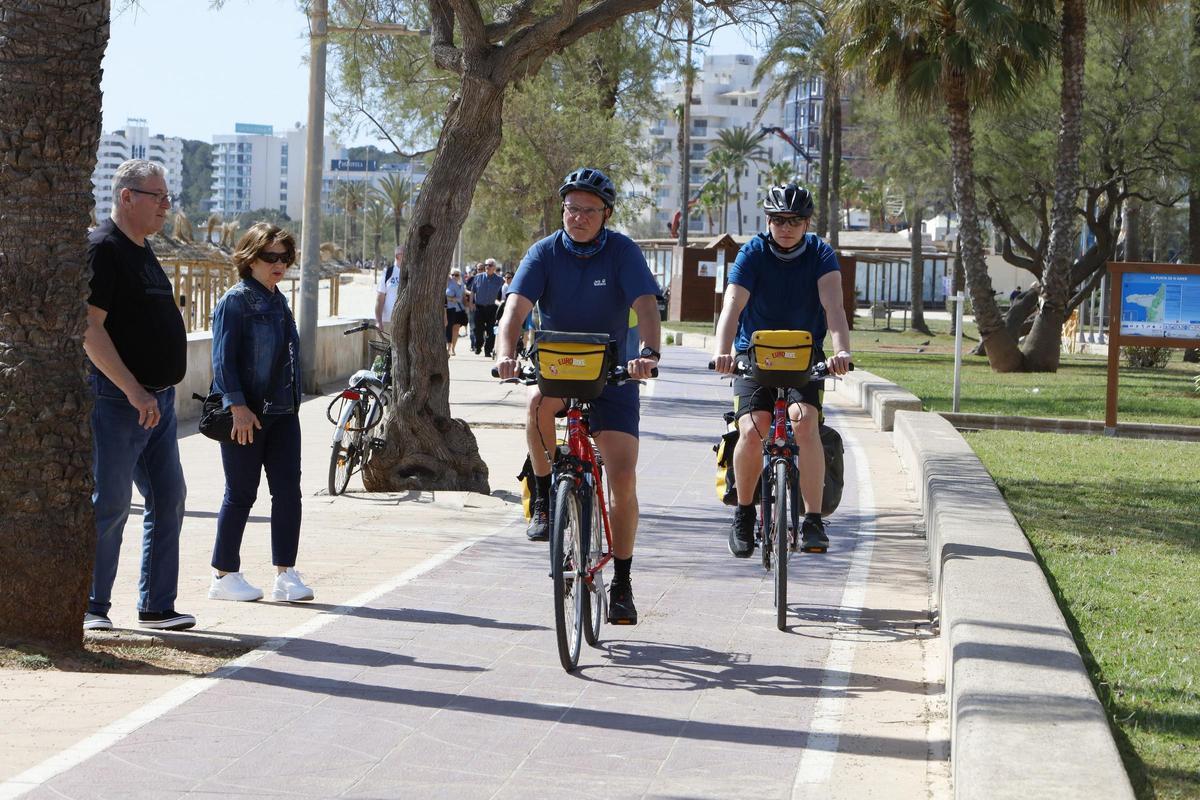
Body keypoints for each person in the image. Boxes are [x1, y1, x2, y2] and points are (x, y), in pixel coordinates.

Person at [496, 167, 661, 625]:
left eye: (589, 210)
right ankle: (548, 495)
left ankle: (623, 581)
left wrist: (647, 353)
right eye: (571, 208)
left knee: (622, 477)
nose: (579, 217)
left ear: (605, 213)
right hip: (557, 370)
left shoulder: (623, 252)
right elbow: (514, 311)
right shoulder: (543, 253)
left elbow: (645, 305)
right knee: (535, 405)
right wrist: (506, 353)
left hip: (612, 376)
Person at [711, 183, 852, 559]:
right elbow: (732, 306)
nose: (785, 228)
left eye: (794, 221)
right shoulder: (753, 252)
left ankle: (813, 520)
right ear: (768, 221)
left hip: (803, 358)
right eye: (777, 220)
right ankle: (744, 514)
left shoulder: (821, 254)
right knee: (754, 426)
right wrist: (723, 352)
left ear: (806, 223)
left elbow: (834, 307)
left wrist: (841, 352)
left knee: (805, 422)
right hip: (753, 355)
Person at [83, 159, 193, 631]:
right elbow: (89, 328)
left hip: (158, 402)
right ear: (127, 197)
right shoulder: (103, 249)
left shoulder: (144, 250)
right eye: (158, 197)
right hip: (118, 400)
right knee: (109, 503)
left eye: (168, 197)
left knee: (168, 497)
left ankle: (156, 606)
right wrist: (132, 389)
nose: (167, 206)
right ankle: (91, 606)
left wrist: (155, 393)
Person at [207, 223, 314, 603]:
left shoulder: (278, 300)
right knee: (240, 494)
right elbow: (222, 360)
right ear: (249, 257)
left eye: (286, 257)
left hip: (284, 412)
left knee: (288, 493)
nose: (280, 263)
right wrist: (236, 406)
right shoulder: (236, 301)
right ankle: (223, 575)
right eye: (271, 257)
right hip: (247, 414)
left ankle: (286, 573)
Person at [468, 258, 505, 357]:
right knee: (478, 329)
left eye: (490, 265)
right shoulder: (478, 277)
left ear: (494, 267)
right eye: (486, 265)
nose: (487, 267)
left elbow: (504, 293)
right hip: (479, 308)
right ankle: (478, 345)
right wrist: (471, 303)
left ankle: (488, 350)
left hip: (492, 308)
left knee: (491, 331)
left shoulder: (500, 280)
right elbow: (472, 291)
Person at [375, 244, 405, 330]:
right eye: (406, 253)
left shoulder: (411, 272)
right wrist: (378, 321)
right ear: (398, 256)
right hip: (388, 322)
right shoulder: (388, 272)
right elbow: (380, 299)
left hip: (406, 322)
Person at [446, 268, 467, 355]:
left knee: (455, 330)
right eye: (453, 274)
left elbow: (461, 298)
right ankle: (448, 347)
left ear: (460, 276)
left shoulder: (461, 285)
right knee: (448, 329)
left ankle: (452, 348)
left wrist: (447, 299)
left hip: (458, 310)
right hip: (448, 309)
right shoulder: (448, 283)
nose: (454, 276)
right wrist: (450, 299)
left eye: (457, 275)